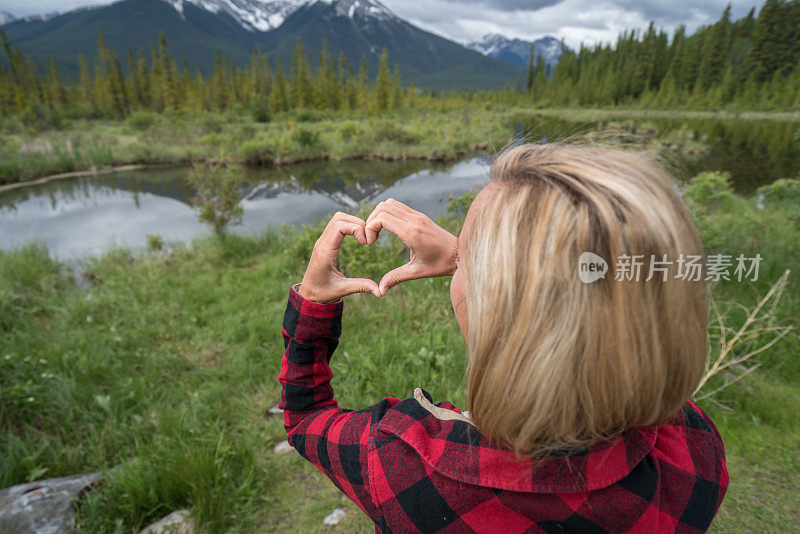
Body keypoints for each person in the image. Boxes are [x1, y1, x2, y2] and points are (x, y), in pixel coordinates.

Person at [279, 143, 729, 533]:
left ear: (498, 312)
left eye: (466, 260)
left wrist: (315, 299)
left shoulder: (404, 464)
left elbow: (305, 418)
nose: (457, 263)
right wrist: (476, 256)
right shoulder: (693, 452)